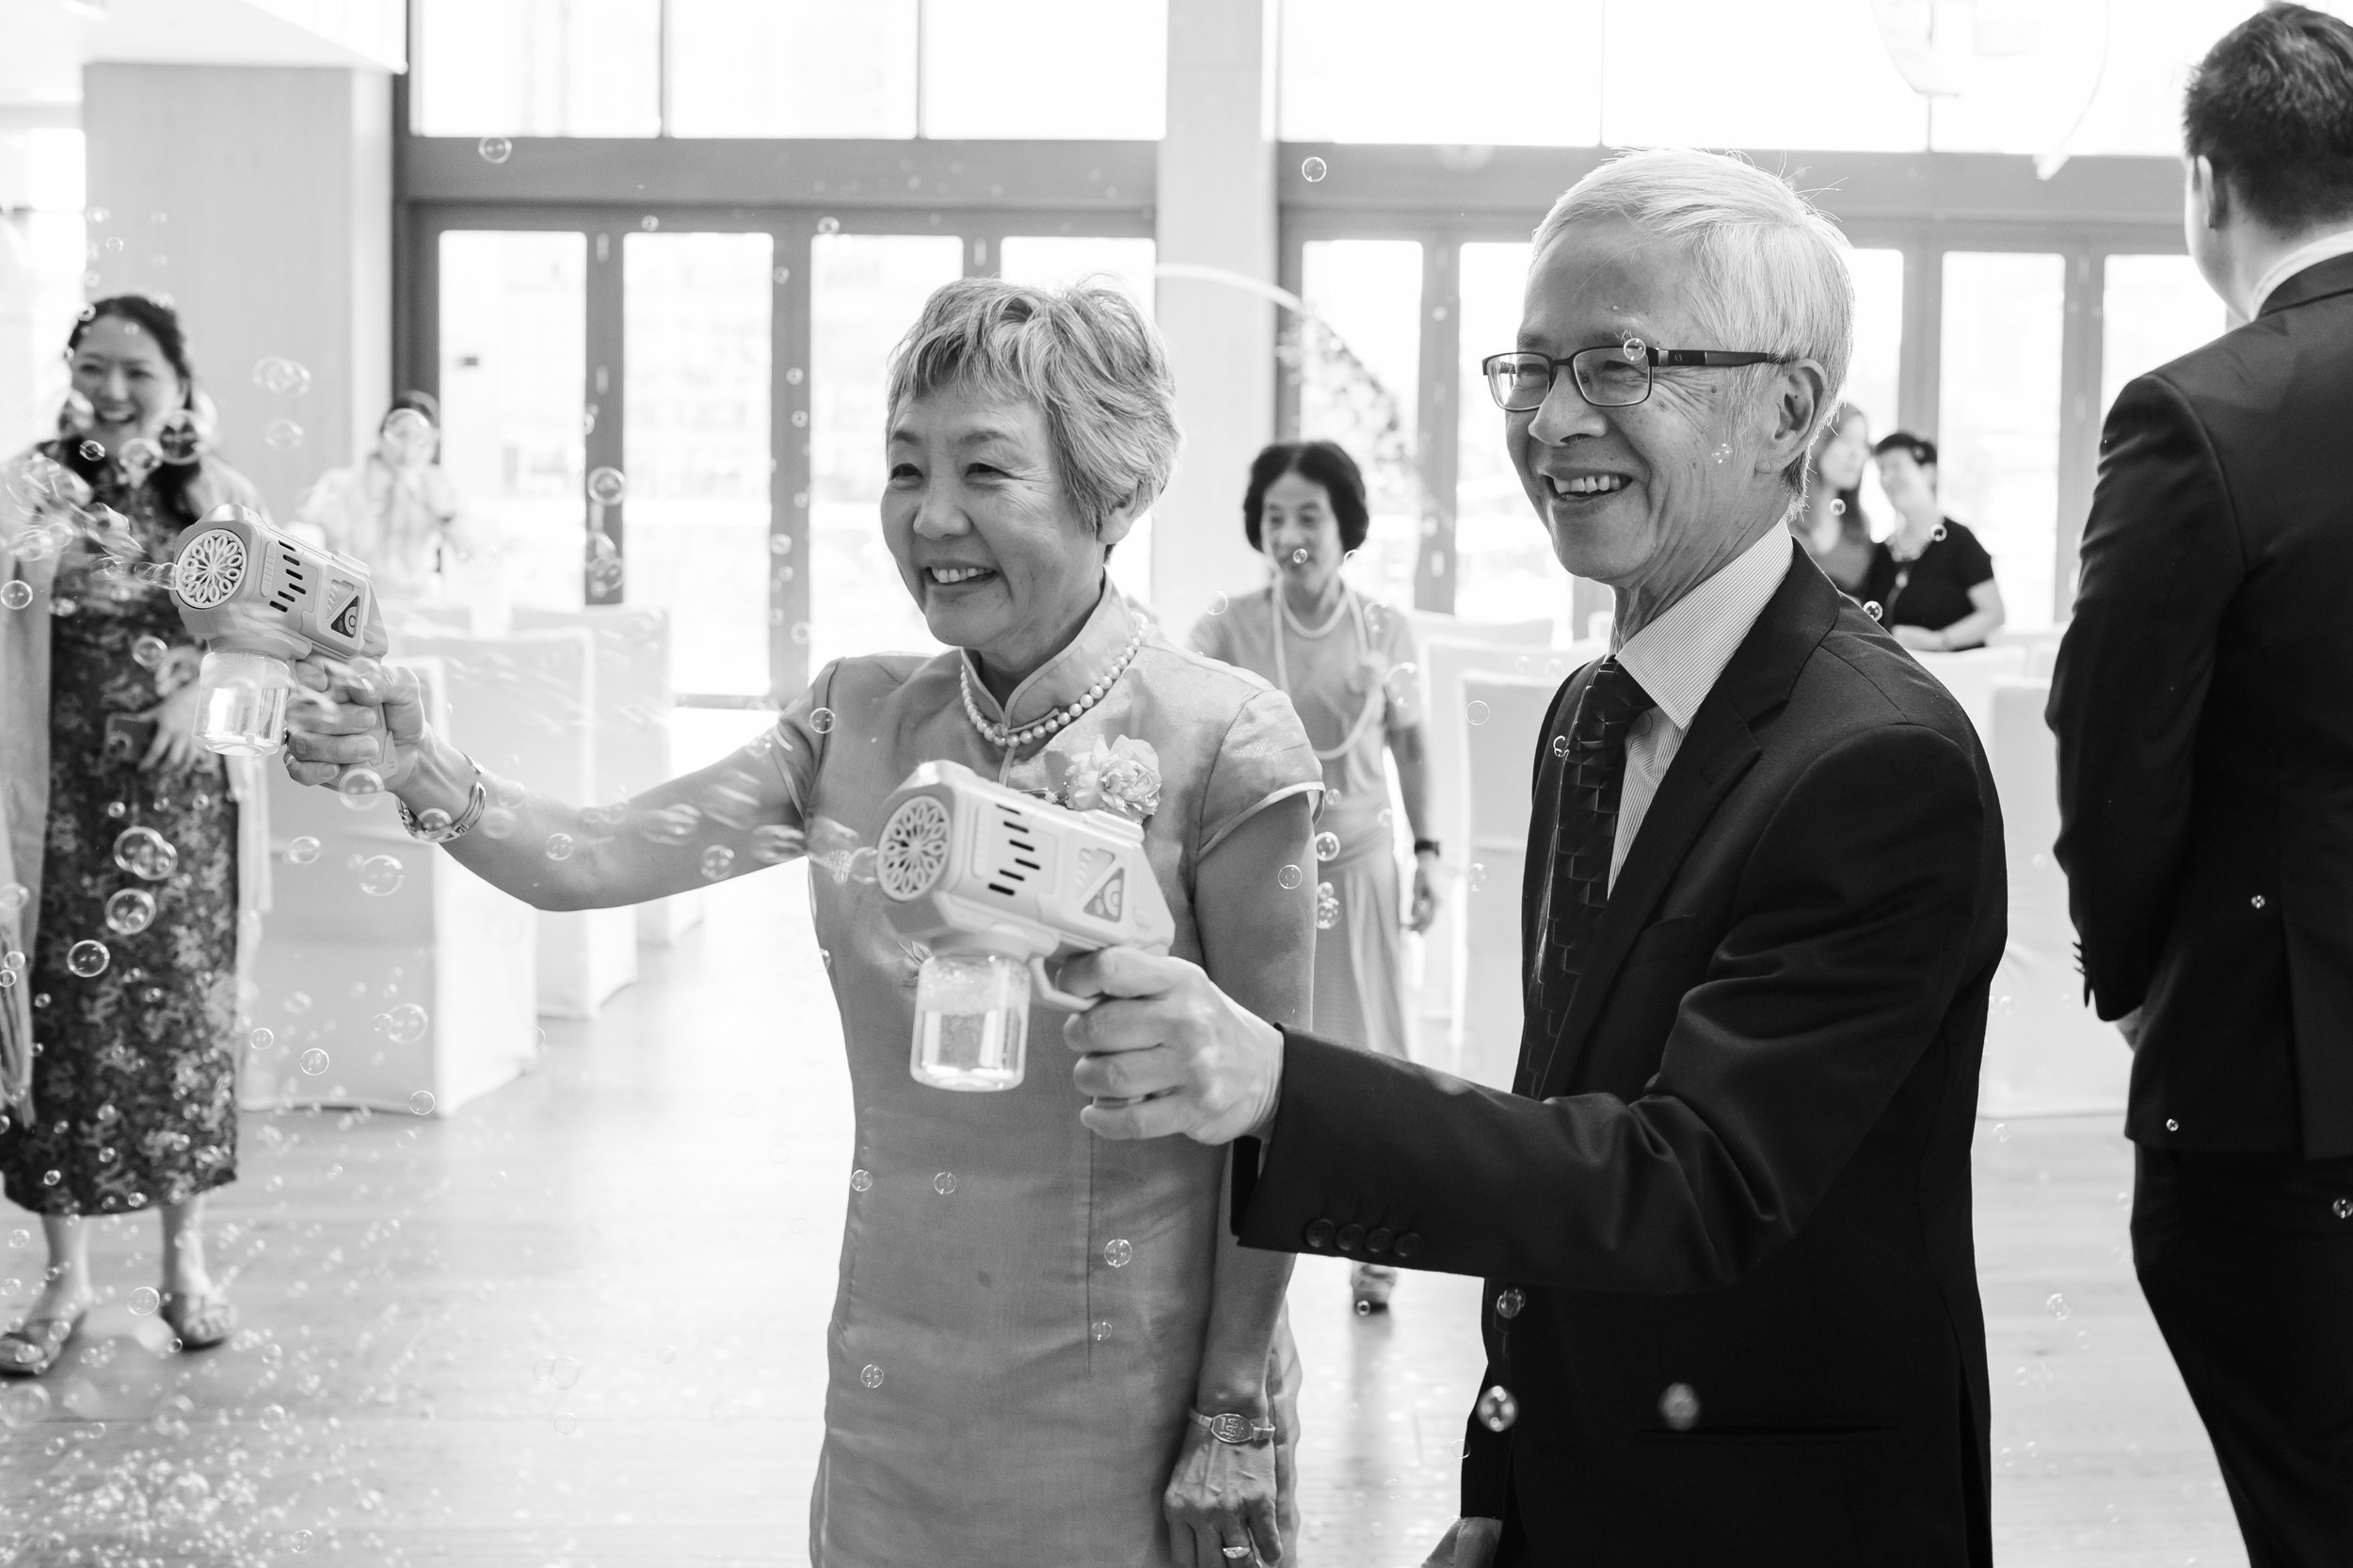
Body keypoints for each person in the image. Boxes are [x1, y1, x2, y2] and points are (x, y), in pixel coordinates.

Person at [1059, 148, 2007, 1568]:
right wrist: (1509, 1486)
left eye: (1620, 362)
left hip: (1778, 1513)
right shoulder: (1587, 716)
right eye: (1532, 366)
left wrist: (1274, 1079)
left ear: (1789, 411)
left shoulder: (1882, 762)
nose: (1556, 419)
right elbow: (1565, 1109)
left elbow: (1689, 1178)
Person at [282, 279, 1320, 1568]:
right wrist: (417, 765)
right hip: (897, 1376)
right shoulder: (856, 721)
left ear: (1108, 490)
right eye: (904, 468)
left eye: (986, 469)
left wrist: (1230, 1406)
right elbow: (594, 854)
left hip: (1139, 1394)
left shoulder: (1226, 743)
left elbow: (1288, 1128)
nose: (932, 518)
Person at [2048, 8, 2353, 1564]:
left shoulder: (2203, 414)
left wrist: (2125, 977)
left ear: (2206, 186)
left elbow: (2117, 744)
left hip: (2287, 1108)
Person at [0, 295, 270, 1370]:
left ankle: (186, 1261)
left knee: (179, 1027)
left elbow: (263, 644)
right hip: (55, 804)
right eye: (93, 366)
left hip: (181, 813)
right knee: (56, 1025)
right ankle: (63, 1276)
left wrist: (199, 691)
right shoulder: (31, 483)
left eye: (137, 372)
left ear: (178, 381)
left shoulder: (215, 494)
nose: (112, 390)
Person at [1189, 440, 1439, 1315]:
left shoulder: (1385, 631)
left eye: (1309, 515)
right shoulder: (1228, 629)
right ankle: (1256, 1238)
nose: (1291, 533)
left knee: (1376, 1061)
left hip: (1363, 866)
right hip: (1261, 876)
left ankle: (1383, 1235)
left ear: (1347, 527)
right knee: (1265, 1054)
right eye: (1275, 516)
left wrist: (1430, 852)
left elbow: (1411, 745)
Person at [296, 392, 469, 600]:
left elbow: (468, 551)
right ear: (383, 434)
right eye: (401, 435)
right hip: (352, 595)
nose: (409, 449)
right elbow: (308, 542)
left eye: (421, 439)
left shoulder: (438, 485)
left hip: (418, 600)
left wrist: (445, 515)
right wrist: (334, 535)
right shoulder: (340, 484)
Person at [1858, 434, 2004, 651]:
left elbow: (1994, 614)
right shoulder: (1882, 551)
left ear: (1928, 473)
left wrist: (1939, 640)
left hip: (1954, 676)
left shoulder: (1960, 541)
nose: (1887, 478)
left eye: (1896, 466)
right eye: (1881, 469)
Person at [1789, 402, 1873, 595]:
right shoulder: (1783, 514)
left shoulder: (1860, 526)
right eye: (1846, 440)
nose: (1857, 454)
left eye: (1863, 444)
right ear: (1819, 441)